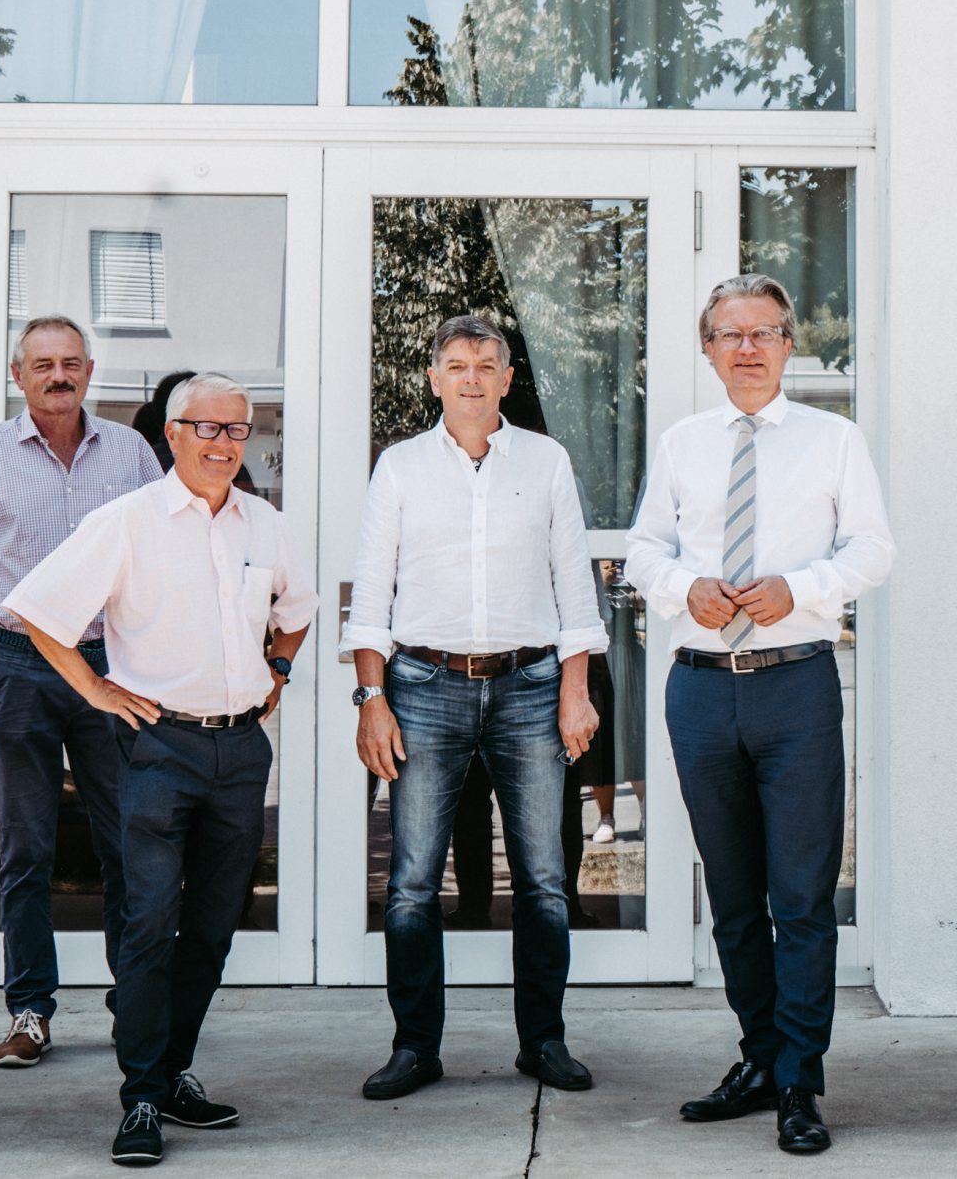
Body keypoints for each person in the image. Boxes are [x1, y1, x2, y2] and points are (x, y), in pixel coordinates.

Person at [5, 373, 313, 1167]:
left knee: (212, 924)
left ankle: (172, 1072)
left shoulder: (265, 524)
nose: (223, 442)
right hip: (155, 750)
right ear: (172, 434)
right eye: (206, 427)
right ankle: (140, 1096)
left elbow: (297, 611)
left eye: (236, 429)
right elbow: (38, 611)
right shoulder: (128, 521)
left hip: (240, 752)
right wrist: (97, 690)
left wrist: (278, 671)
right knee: (147, 923)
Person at [627, 275, 894, 1158]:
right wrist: (684, 587)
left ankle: (800, 1082)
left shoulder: (835, 440)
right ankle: (760, 1056)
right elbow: (643, 551)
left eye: (765, 332)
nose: (748, 348)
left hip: (795, 686)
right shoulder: (682, 443)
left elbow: (873, 549)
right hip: (701, 688)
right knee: (734, 896)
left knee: (802, 898)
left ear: (789, 344)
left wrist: (801, 589)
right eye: (730, 334)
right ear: (708, 349)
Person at [345, 316, 606, 1102]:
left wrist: (575, 688)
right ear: (434, 379)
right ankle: (415, 1048)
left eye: (486, 365)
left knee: (544, 881)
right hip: (424, 688)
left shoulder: (546, 460)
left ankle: (544, 1041)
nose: (471, 377)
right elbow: (372, 593)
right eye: (456, 365)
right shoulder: (399, 467)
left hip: (530, 687)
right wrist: (372, 699)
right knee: (413, 883)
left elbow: (574, 581)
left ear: (506, 378)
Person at [0, 315, 162, 1067]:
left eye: (71, 362)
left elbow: (160, 557)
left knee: (127, 841)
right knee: (28, 845)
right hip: (20, 665)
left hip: (111, 667)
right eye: (43, 364)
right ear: (19, 375)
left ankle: (134, 1005)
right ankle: (30, 1010)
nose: (58, 375)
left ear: (90, 371)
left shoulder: (131, 453)